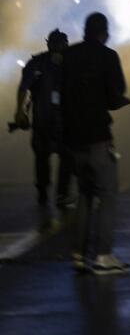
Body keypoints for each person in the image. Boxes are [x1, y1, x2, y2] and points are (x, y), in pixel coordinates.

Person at [62, 13, 130, 275]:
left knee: (84, 195)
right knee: (107, 195)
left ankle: (78, 254)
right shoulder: (108, 56)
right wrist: (119, 101)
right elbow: (115, 95)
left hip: (73, 138)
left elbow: (60, 94)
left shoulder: (68, 56)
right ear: (104, 32)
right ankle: (103, 256)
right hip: (98, 136)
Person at [13, 29, 75, 232]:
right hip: (48, 118)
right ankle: (50, 192)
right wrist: (19, 112)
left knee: (60, 157)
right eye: (57, 43)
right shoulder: (39, 63)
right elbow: (23, 88)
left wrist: (19, 112)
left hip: (60, 118)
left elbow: (23, 88)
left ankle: (54, 193)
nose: (59, 47)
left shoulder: (66, 64)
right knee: (49, 157)